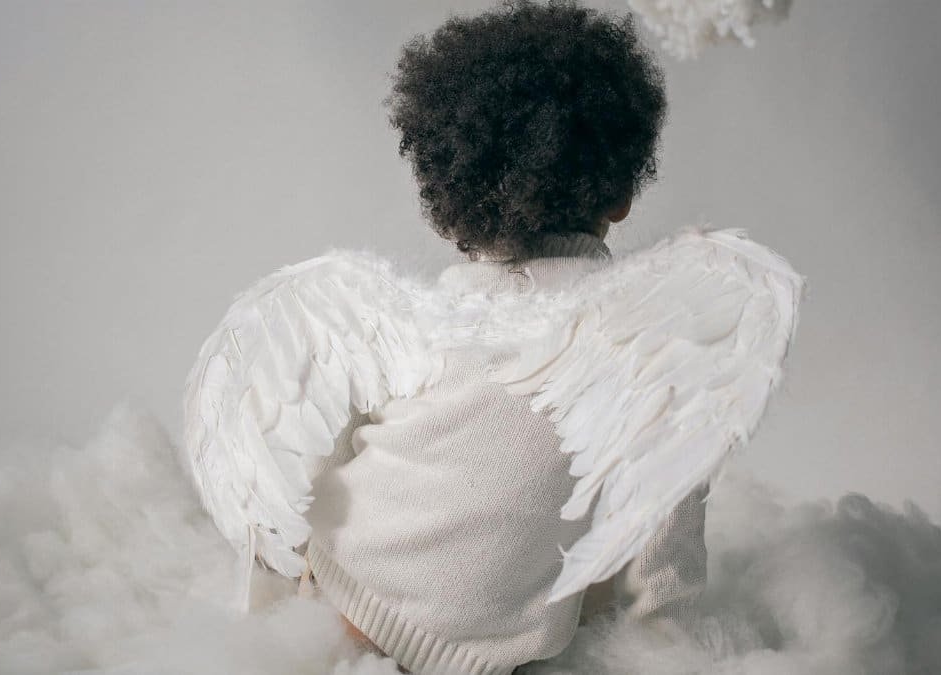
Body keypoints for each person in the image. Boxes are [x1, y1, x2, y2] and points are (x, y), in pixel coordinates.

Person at [301, 0, 707, 670]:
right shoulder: (651, 345)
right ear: (620, 196)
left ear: (447, 204)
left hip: (346, 589)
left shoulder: (420, 318)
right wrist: (666, 641)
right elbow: (665, 551)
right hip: (490, 648)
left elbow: (319, 443)